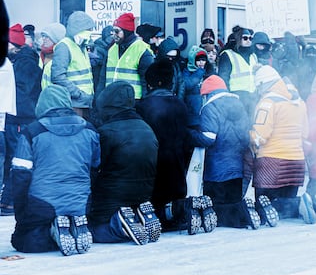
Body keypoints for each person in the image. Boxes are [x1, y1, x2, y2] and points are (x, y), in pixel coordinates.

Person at [9, 85, 100, 255]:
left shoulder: (32, 132)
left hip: (43, 203)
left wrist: (21, 215)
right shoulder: (89, 130)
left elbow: (20, 175)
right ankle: (73, 222)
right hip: (82, 201)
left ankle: (54, 228)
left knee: (22, 241)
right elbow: (95, 169)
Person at [136, 59, 205, 233]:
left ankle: (158, 218)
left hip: (155, 163)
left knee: (156, 197)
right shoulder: (180, 104)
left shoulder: (144, 106)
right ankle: (179, 214)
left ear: (151, 83)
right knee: (175, 193)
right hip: (177, 162)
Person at [89, 81, 160, 245]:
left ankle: (119, 225)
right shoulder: (147, 129)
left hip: (112, 197)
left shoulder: (106, 132)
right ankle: (141, 218)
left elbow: (95, 167)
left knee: (93, 229)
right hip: (144, 195)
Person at [250, 65, 316, 224]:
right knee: (286, 210)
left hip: (271, 164)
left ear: (263, 84)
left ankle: (298, 204)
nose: (258, 91)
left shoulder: (267, 103)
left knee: (263, 207)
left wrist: (248, 138)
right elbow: (305, 133)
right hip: (296, 165)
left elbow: (260, 136)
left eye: (258, 87)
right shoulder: (299, 102)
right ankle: (304, 203)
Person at [198, 75, 260, 229]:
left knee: (216, 207)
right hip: (237, 166)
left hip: (215, 168)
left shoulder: (210, 108)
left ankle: (241, 217)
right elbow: (246, 136)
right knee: (233, 201)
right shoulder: (239, 105)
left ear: (207, 94)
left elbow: (208, 138)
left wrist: (190, 134)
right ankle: (245, 215)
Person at [3, 24, 42, 216]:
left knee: (15, 157)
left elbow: (20, 92)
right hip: (15, 117)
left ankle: (9, 201)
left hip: (18, 118)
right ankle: (8, 200)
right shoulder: (18, 60)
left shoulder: (24, 63)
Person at [50, 11, 95, 118]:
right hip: (74, 103)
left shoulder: (81, 46)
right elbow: (57, 77)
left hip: (84, 102)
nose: (90, 33)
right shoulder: (64, 46)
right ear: (78, 29)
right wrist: (78, 94)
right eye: (88, 30)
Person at [100, 12, 154, 100]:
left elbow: (147, 82)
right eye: (113, 31)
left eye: (117, 31)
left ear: (126, 32)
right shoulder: (111, 49)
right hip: (111, 100)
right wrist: (99, 99)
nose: (114, 35)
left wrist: (145, 103)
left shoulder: (142, 50)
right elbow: (102, 79)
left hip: (133, 102)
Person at [217, 26, 258, 117]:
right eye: (245, 38)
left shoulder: (253, 56)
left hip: (252, 98)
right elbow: (223, 79)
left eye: (250, 38)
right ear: (238, 38)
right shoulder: (227, 55)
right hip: (236, 97)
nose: (248, 40)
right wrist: (228, 99)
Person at [37, 22, 66, 90]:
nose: (43, 38)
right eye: (43, 36)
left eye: (47, 36)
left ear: (56, 38)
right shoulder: (42, 54)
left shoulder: (61, 55)